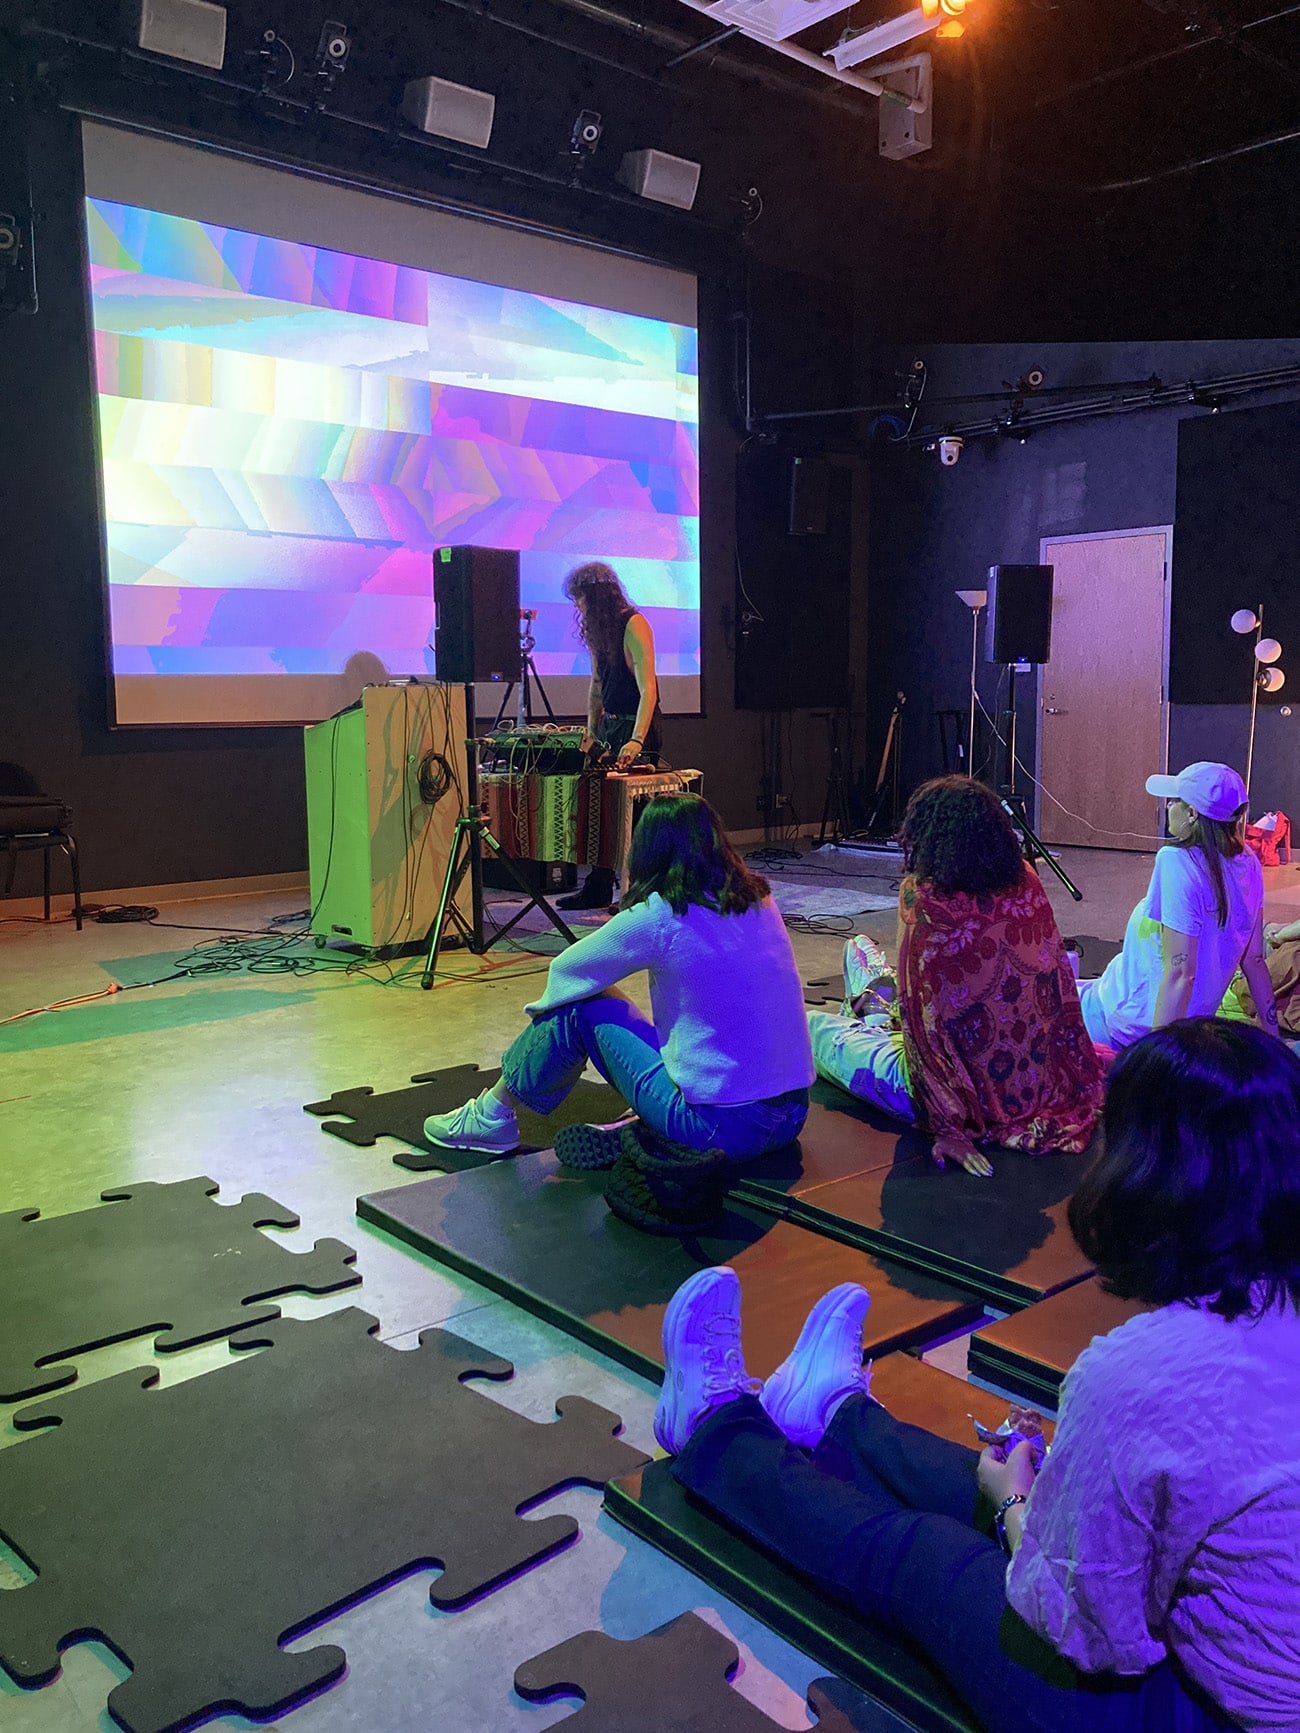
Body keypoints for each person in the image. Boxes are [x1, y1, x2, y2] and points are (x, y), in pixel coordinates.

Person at [654, 1018, 1300, 1733]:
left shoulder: (1139, 1374)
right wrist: (1036, 1493)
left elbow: (1084, 1629)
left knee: (926, 1553)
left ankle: (715, 1431)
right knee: (1014, 1482)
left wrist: (1012, 1505)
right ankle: (835, 1417)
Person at [422, 793, 813, 1228]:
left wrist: (544, 1028)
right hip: (792, 1116)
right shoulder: (760, 899)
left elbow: (568, 970)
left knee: (583, 1005)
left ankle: (491, 1115)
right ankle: (646, 1125)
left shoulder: (661, 915)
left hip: (721, 1132)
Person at [808, 776, 1103, 1176]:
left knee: (809, 1025)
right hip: (1035, 1082)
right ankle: (871, 1012)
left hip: (955, 1094)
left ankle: (869, 1016)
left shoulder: (925, 897)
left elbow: (918, 1018)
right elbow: (1058, 990)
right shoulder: (1025, 879)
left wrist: (947, 1126)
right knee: (856, 947)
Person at [1078, 761, 1278, 1048]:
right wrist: (1275, 1041)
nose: (1169, 805)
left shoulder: (1176, 861)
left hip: (1126, 1020)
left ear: (1192, 814)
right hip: (1178, 1022)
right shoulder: (1249, 863)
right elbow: (1254, 960)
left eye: (1174, 800)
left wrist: (1156, 1057)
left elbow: (1181, 973)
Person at [557, 561, 661, 911]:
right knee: (599, 810)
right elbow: (597, 685)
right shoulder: (598, 631)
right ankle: (598, 887)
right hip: (609, 726)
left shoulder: (634, 624)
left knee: (636, 814)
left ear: (596, 595)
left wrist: (637, 739)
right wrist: (590, 732)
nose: (577, 605)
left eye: (580, 597)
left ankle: (638, 890)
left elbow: (648, 689)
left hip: (636, 724)